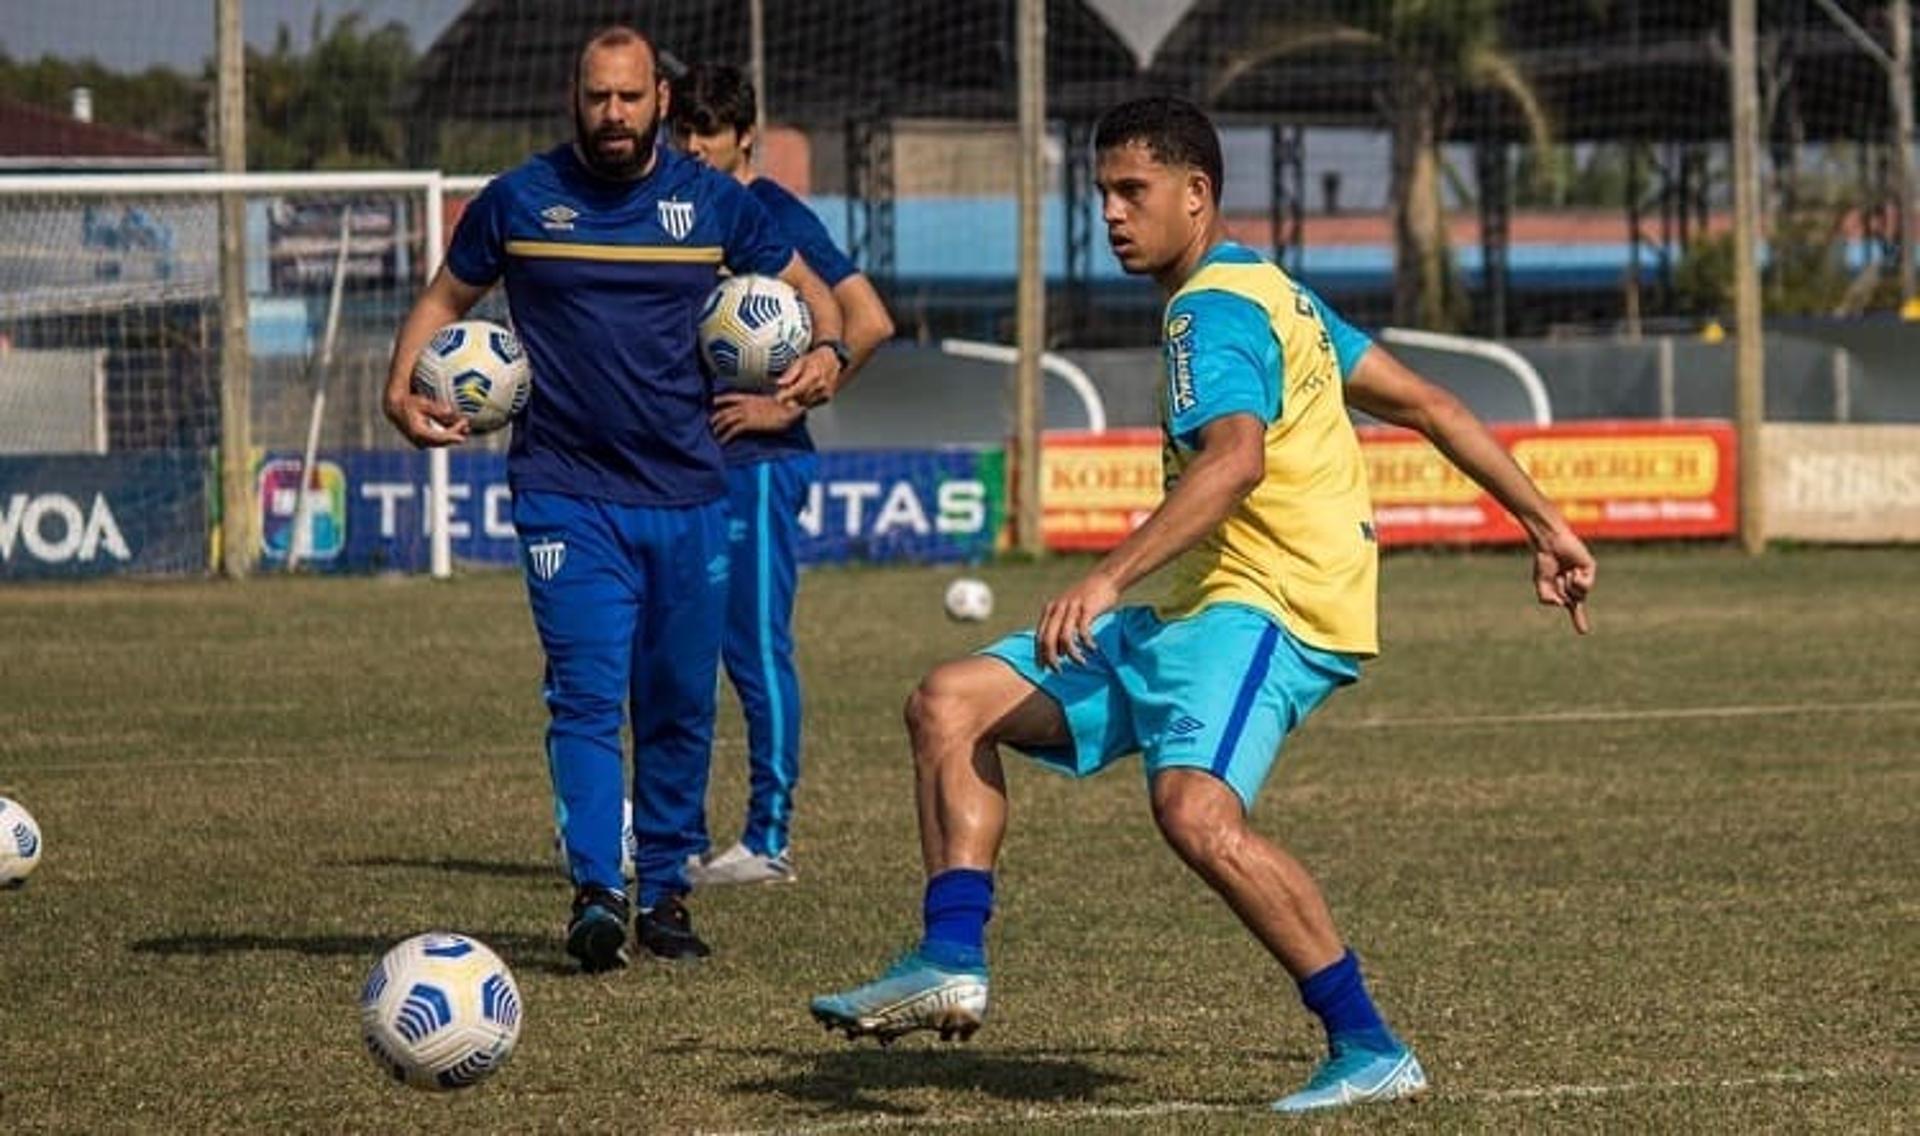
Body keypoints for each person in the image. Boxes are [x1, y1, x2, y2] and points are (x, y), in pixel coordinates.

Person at [808, 96, 1596, 1114]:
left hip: (1267, 601)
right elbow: (1432, 403)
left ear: (1198, 194)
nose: (1113, 214)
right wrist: (1547, 523)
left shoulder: (1210, 311)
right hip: (1195, 600)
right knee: (951, 702)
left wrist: (1105, 574)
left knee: (1196, 813)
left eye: (1133, 192)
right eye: (1101, 193)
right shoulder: (1276, 293)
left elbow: (1234, 458)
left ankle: (1370, 1043)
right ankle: (950, 953)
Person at [381, 25, 849, 973]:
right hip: (566, 492)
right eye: (598, 98)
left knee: (677, 701)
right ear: (574, 97)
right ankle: (598, 890)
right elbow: (443, 303)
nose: (614, 116)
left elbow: (818, 298)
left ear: (660, 103)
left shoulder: (717, 203)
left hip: (689, 492)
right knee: (588, 696)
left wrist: (823, 355)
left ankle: (665, 894)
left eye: (631, 98)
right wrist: (400, 388)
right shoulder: (518, 201)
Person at [667, 63, 896, 888]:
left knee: (753, 650)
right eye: (681, 130)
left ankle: (768, 839)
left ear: (744, 137)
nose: (691, 145)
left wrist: (785, 407)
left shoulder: (772, 212)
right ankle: (673, 836)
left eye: (708, 132)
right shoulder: (672, 208)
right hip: (680, 464)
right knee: (673, 652)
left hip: (757, 464)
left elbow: (868, 321)